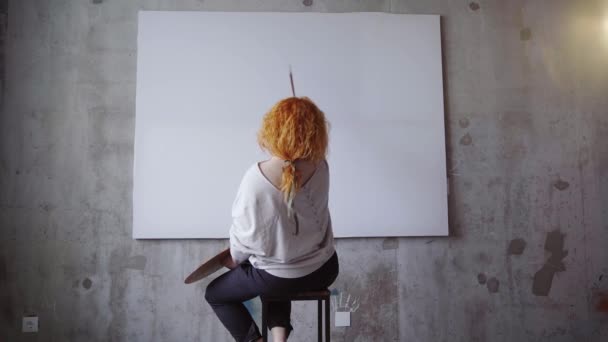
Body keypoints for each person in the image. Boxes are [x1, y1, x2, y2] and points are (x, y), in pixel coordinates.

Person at [205, 97, 339, 342]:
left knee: (216, 293)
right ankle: (279, 338)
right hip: (324, 269)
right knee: (279, 260)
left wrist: (236, 258)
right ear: (316, 130)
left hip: (278, 278)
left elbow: (244, 240)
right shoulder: (321, 166)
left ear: (272, 130)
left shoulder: (256, 179)